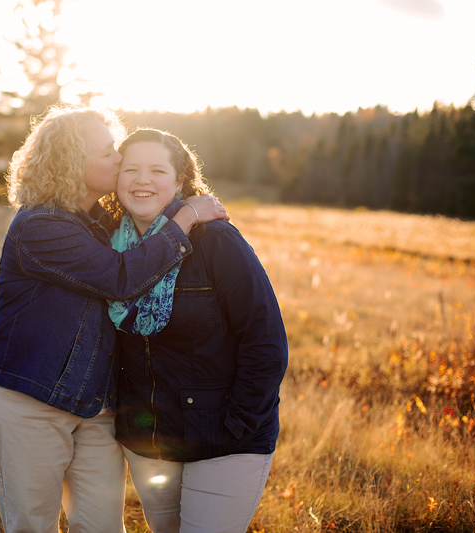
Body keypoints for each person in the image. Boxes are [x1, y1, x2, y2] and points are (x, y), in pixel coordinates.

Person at [0, 107, 228, 533]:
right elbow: (120, 277)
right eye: (109, 151)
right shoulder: (40, 224)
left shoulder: (105, 224)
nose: (119, 159)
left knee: (102, 526)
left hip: (96, 404)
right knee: (32, 526)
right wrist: (185, 217)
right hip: (32, 400)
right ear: (75, 163)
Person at [108, 129, 288, 533]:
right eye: (131, 169)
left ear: (180, 182)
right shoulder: (108, 249)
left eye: (157, 170)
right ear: (116, 178)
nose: (142, 180)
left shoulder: (216, 240)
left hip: (225, 440)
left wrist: (236, 424)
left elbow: (266, 343)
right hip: (149, 441)